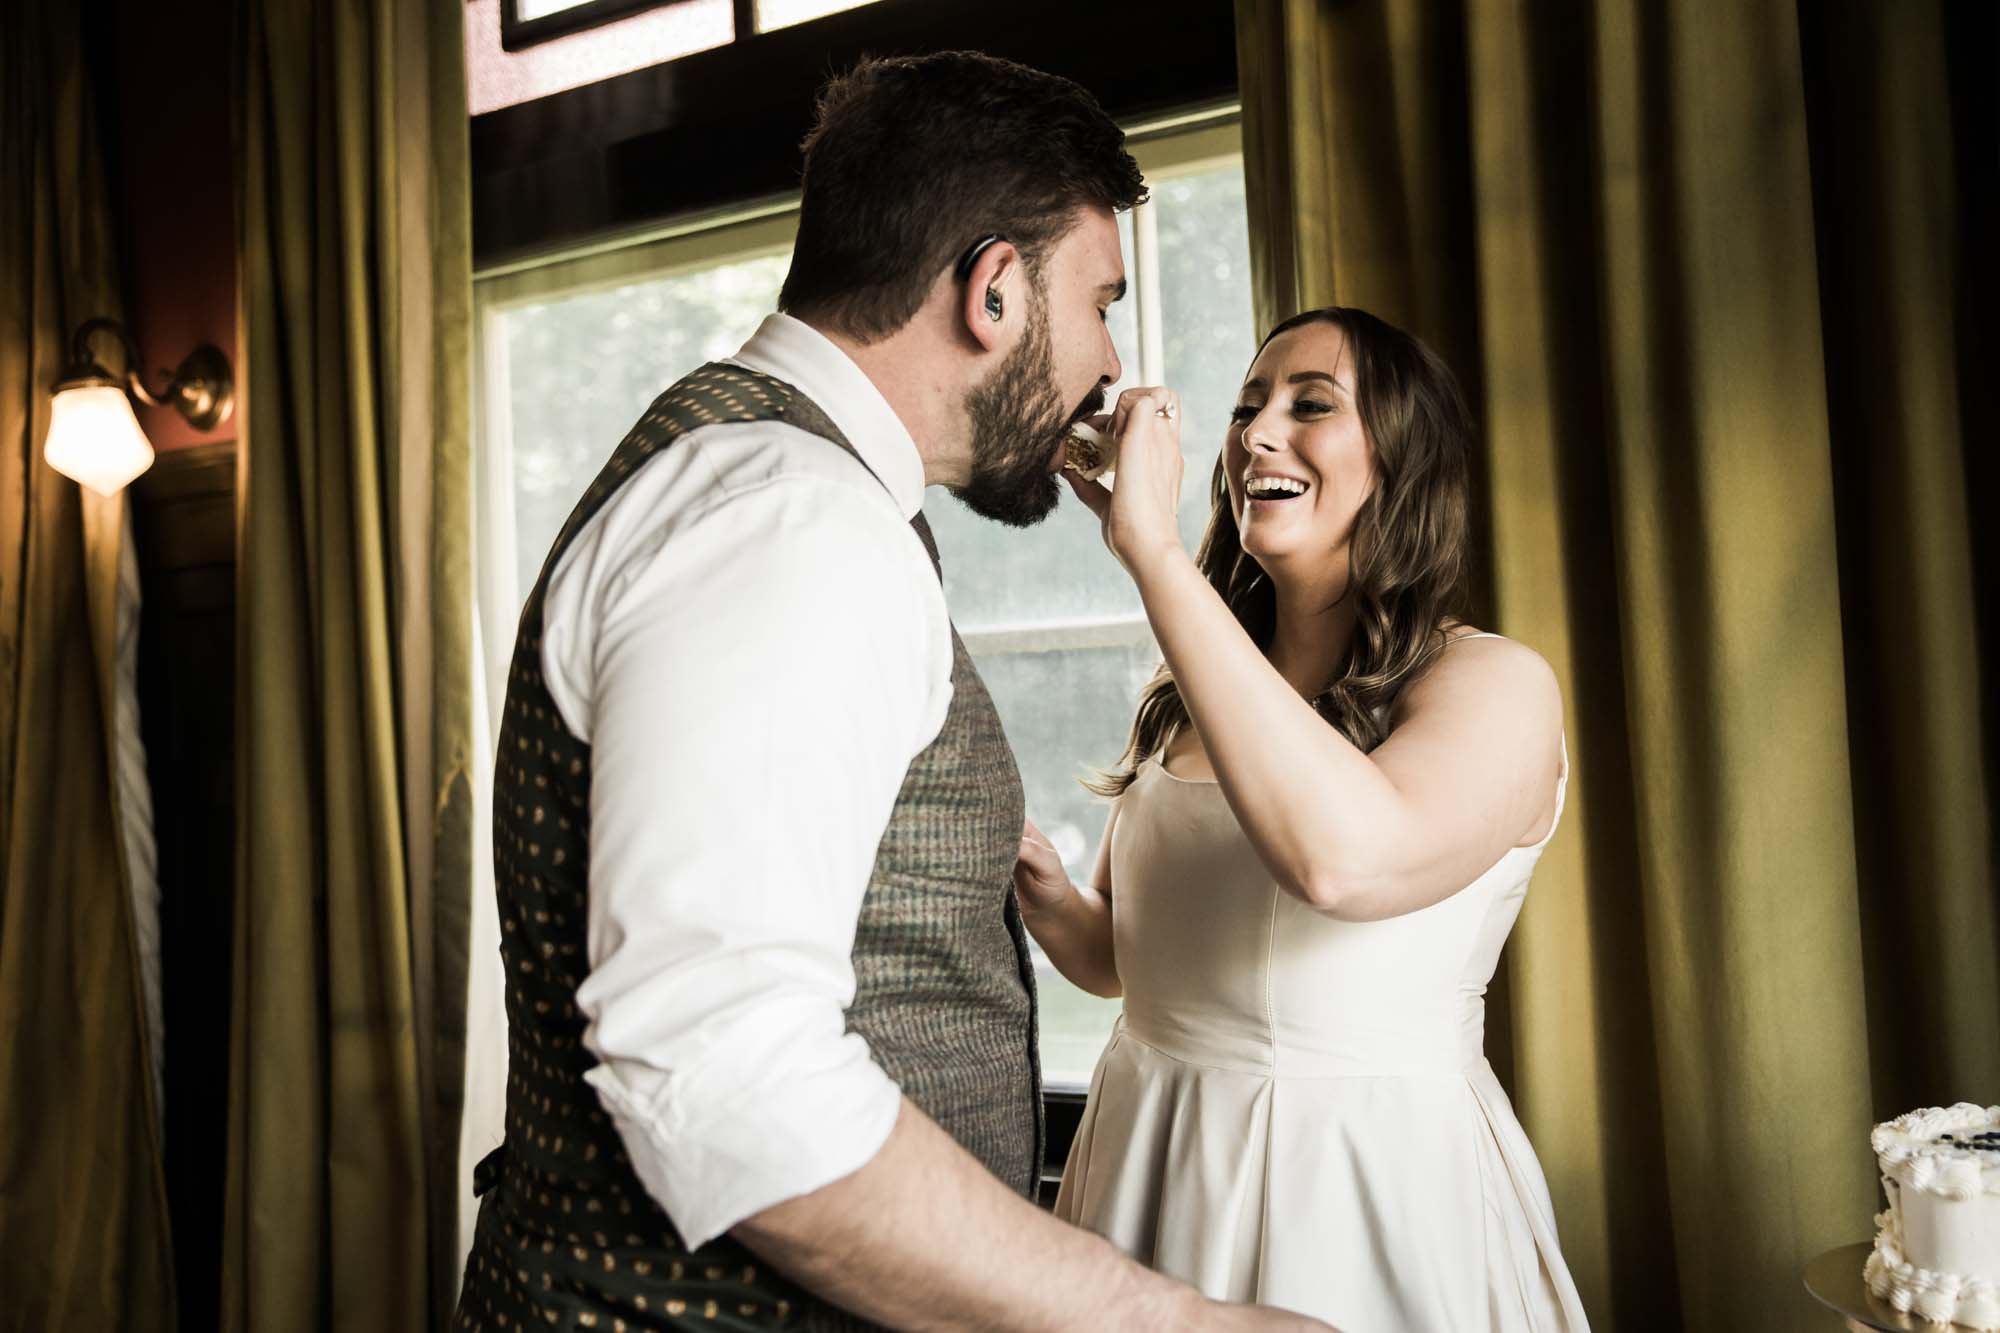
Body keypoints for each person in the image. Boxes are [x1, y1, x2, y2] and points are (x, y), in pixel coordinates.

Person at [453, 51, 1328, 1332]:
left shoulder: (772, 483)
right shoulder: (790, 522)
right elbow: (723, 1068)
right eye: (1097, 304)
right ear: (991, 291)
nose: (1106, 367)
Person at [1017, 307, 1593, 1329]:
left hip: (1357, 1185)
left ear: (1400, 459)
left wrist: (1150, 555)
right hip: (1142, 1163)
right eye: (1245, 409)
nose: (1253, 434)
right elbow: (1119, 961)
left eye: (1307, 405)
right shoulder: (1194, 693)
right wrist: (1047, 890)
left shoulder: (1494, 684)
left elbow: (1342, 865)